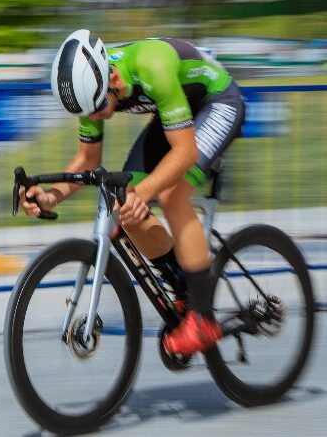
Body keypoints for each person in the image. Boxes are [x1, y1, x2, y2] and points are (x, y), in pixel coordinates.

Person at [21, 30, 245, 355]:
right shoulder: (93, 91)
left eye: (99, 108)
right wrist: (49, 196)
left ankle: (203, 319)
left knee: (170, 196)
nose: (95, 117)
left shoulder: (151, 65)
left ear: (112, 77)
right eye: (88, 114)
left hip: (218, 101)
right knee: (121, 202)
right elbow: (87, 160)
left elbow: (185, 154)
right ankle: (183, 281)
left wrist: (146, 192)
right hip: (179, 108)